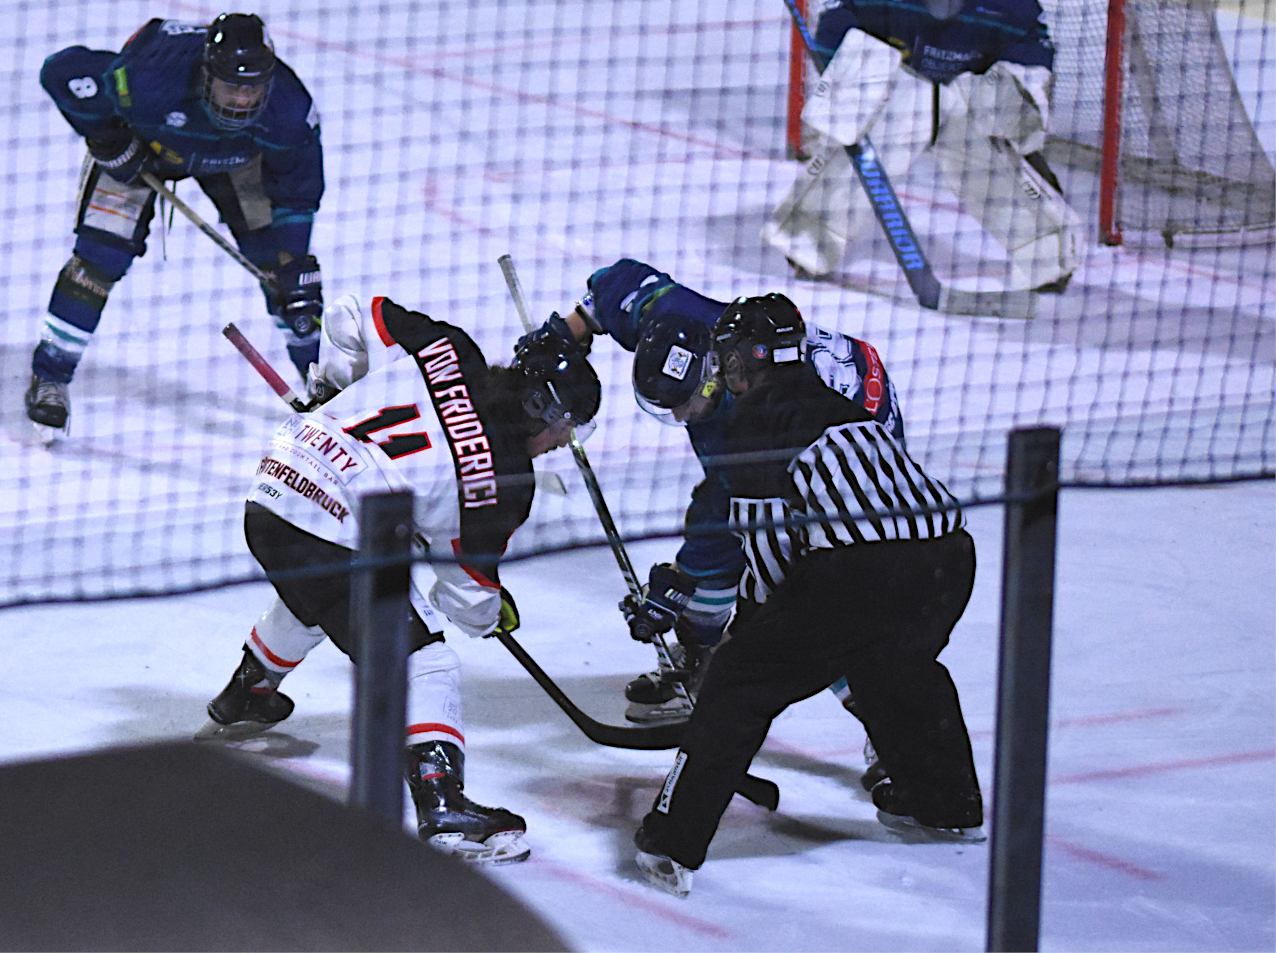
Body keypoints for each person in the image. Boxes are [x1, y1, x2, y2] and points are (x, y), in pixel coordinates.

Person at [199, 293, 599, 865]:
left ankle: (248, 691)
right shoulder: (509, 481)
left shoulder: (450, 348)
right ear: (539, 408)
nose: (564, 440)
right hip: (330, 529)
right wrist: (493, 610)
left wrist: (335, 387)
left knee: (324, 594)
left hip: (272, 493)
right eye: (566, 425)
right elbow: (463, 596)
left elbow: (349, 312)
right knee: (427, 658)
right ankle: (443, 805)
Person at [630, 294, 982, 897]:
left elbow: (767, 553)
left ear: (742, 361)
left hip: (859, 573)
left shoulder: (747, 423)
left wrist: (745, 636)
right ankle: (946, 804)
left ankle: (671, 840)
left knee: (738, 686)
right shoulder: (837, 400)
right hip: (948, 558)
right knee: (894, 668)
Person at [535, 258, 901, 758]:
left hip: (862, 423)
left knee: (812, 588)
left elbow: (734, 531)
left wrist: (679, 584)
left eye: (686, 404)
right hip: (801, 392)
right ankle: (699, 649)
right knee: (725, 544)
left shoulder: (758, 427)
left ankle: (887, 725)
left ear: (720, 375)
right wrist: (566, 334)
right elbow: (617, 285)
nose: (681, 417)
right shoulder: (675, 321)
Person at [27, 14, 325, 443]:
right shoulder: (147, 78)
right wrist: (109, 141)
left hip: (235, 159)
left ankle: (322, 385)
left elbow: (296, 194)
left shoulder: (289, 111)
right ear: (207, 75)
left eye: (253, 88)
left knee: (287, 276)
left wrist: (293, 260)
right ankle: (49, 377)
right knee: (101, 256)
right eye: (232, 86)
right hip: (143, 148)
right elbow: (62, 72)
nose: (242, 100)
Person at [766, 0, 1084, 294]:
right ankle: (806, 241)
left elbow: (1035, 51)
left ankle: (1049, 258)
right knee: (856, 151)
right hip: (902, 91)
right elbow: (839, 19)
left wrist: (1017, 104)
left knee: (994, 167)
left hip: (967, 98)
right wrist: (846, 79)